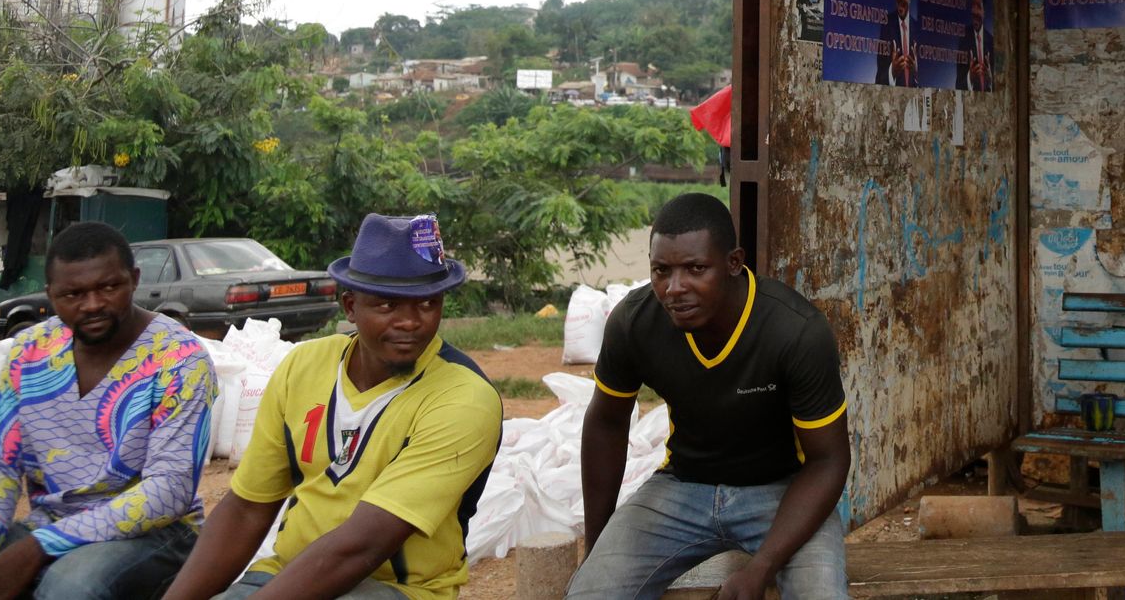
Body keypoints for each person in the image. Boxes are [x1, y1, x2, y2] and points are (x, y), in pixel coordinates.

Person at [162, 214, 500, 600]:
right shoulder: (303, 367)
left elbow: (363, 546)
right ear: (350, 307)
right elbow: (247, 509)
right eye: (388, 305)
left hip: (397, 589)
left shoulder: (462, 397)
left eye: (428, 303)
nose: (410, 322)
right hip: (287, 573)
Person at [0, 223, 214, 600]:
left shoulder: (178, 358)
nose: (93, 304)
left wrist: (38, 548)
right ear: (50, 294)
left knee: (69, 588)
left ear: (134, 279)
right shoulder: (31, 350)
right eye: (73, 294)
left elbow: (169, 491)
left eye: (109, 287)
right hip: (50, 523)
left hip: (158, 532)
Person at [568, 193, 850, 600]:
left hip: (782, 492)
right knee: (589, 594)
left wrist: (761, 567)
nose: (674, 288)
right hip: (681, 487)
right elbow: (605, 424)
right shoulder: (634, 323)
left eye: (695, 269)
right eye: (661, 271)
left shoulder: (795, 331)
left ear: (734, 263)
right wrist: (596, 549)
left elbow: (829, 459)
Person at [876, 0, 917, 86]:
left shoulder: (919, 29)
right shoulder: (886, 25)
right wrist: (892, 72)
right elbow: (879, 80)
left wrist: (917, 71)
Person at [957, 0, 993, 91]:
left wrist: (990, 80)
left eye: (978, 6)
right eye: (972, 5)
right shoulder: (962, 39)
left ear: (984, 10)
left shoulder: (992, 42)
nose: (975, 11)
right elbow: (958, 85)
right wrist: (970, 77)